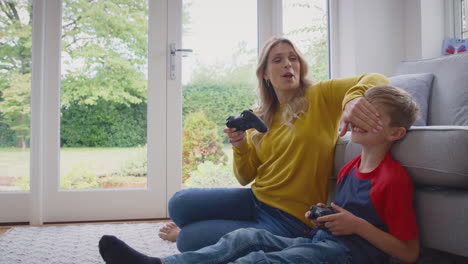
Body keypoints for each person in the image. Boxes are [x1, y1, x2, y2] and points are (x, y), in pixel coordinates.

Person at [98, 85, 421, 264]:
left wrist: (355, 225)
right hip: (318, 236)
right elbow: (245, 176)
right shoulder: (351, 166)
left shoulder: (392, 180)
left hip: (347, 255)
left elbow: (409, 252)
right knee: (244, 238)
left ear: (396, 133)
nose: (361, 118)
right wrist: (323, 214)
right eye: (363, 109)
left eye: (373, 116)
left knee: (258, 261)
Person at [158, 37, 388, 252]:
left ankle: (213, 233)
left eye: (293, 58)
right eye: (278, 60)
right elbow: (245, 177)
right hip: (255, 200)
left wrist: (354, 98)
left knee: (188, 239)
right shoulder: (261, 116)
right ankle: (229, 229)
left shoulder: (321, 95)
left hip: (291, 219)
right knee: (179, 203)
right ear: (266, 74)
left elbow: (377, 78)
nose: (288, 64)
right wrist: (240, 146)